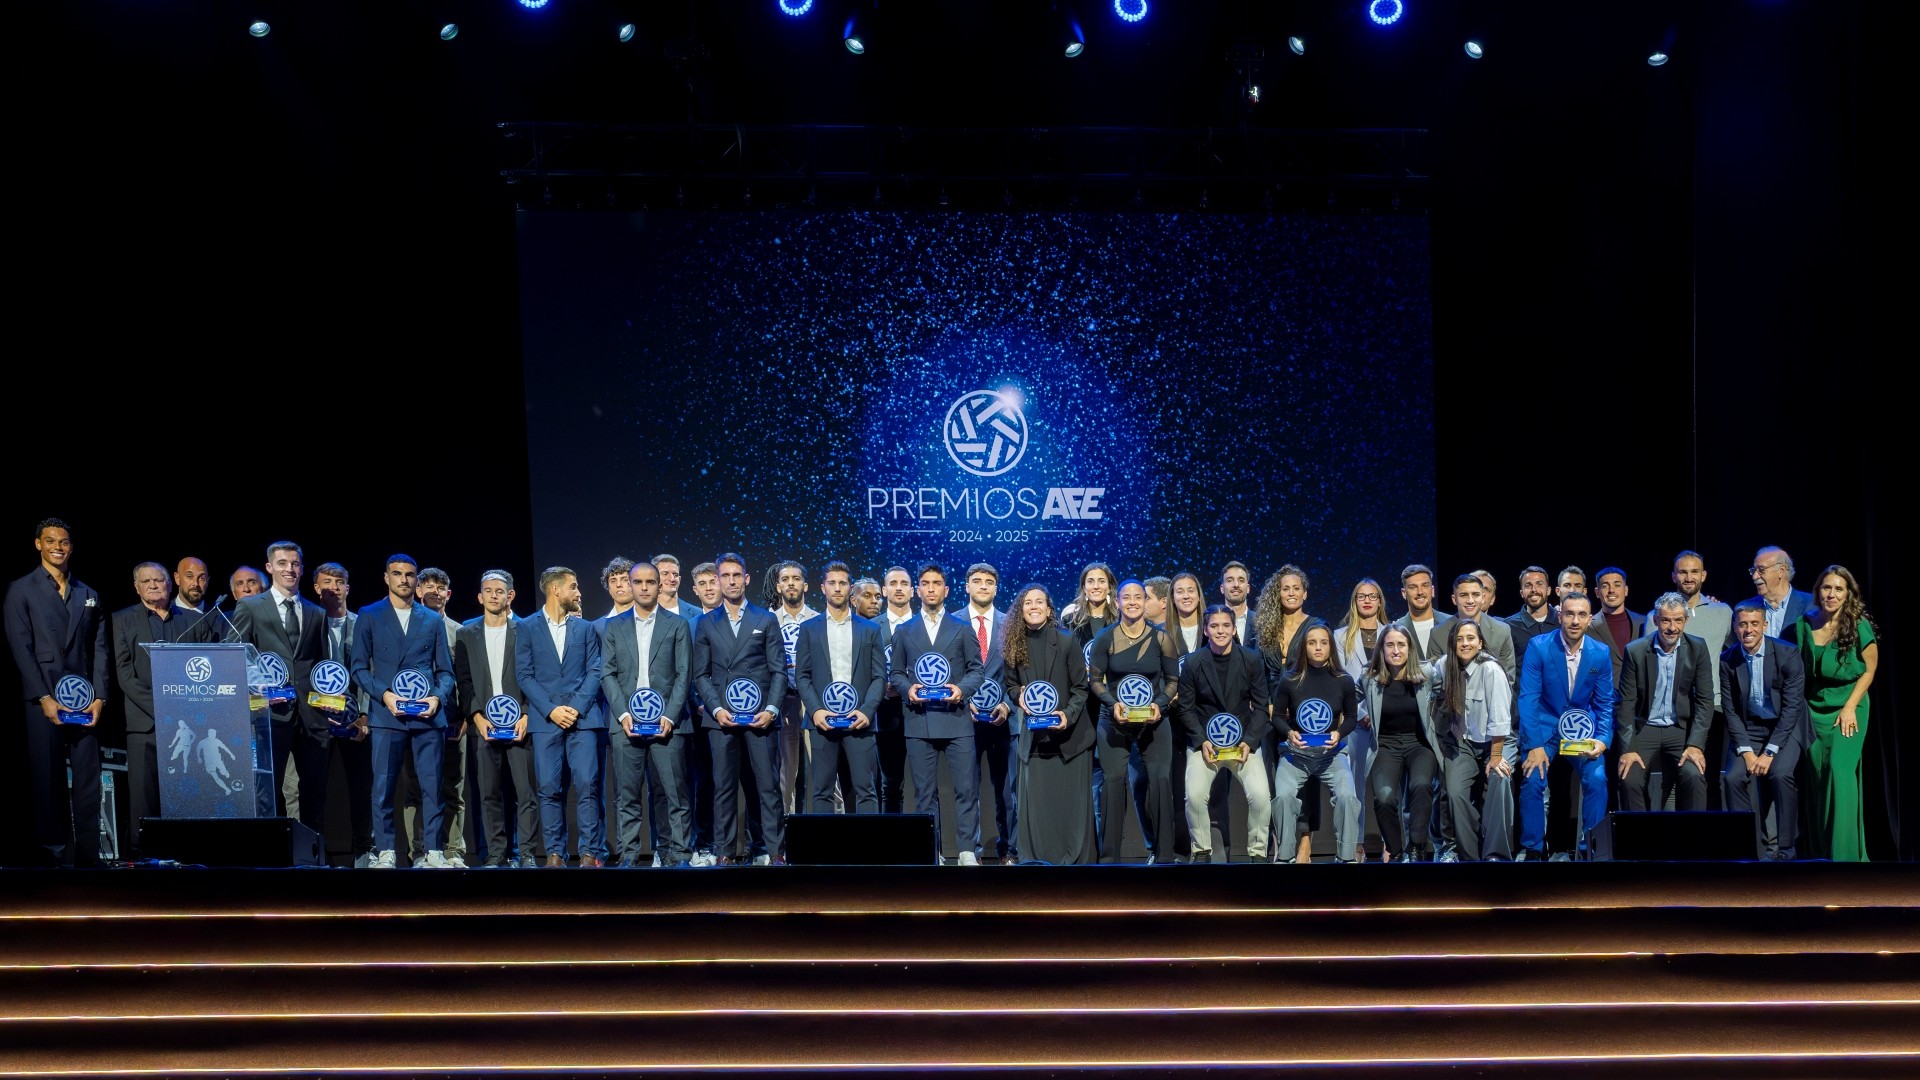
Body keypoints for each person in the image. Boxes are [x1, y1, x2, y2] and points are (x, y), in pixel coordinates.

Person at [5, 519, 107, 868]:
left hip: (84, 699)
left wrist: (100, 697)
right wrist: (43, 697)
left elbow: (100, 649)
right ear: (38, 544)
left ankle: (89, 856)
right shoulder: (21, 590)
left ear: (71, 547)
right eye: (50, 541)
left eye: (63, 542)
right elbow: (21, 648)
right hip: (45, 698)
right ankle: (54, 856)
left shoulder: (87, 593)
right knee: (48, 779)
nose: (58, 547)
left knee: (89, 779)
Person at [351, 554, 457, 869]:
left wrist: (437, 698)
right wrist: (385, 695)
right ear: (387, 577)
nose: (404, 579)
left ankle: (433, 851)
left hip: (427, 716)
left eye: (410, 574)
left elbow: (445, 672)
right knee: (383, 787)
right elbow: (358, 668)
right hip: (387, 715)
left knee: (432, 786)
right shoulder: (369, 615)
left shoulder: (432, 619)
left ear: (416, 580)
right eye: (397, 574)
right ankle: (386, 851)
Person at [231, 541, 333, 837]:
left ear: (301, 568)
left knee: (314, 790)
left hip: (311, 716)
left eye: (295, 564)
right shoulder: (251, 606)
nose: (290, 569)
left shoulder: (317, 612)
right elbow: (234, 653)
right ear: (269, 567)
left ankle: (313, 853)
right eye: (282, 563)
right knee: (267, 789)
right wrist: (257, 683)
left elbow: (321, 664)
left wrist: (329, 700)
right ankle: (268, 852)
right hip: (270, 713)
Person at [690, 553, 786, 865]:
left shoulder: (765, 619)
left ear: (746, 578)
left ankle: (775, 851)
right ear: (718, 580)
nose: (731, 581)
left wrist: (771, 710)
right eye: (725, 576)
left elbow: (779, 672)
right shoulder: (706, 623)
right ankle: (725, 852)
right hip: (722, 719)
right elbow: (701, 675)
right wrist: (716, 709)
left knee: (767, 787)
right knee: (724, 787)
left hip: (760, 717)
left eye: (736, 575)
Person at [889, 562, 986, 865]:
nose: (931, 589)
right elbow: (896, 673)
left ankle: (967, 850)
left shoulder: (962, 628)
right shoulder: (904, 631)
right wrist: (908, 689)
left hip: (956, 718)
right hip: (919, 720)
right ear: (917, 590)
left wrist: (961, 689)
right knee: (924, 792)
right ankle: (932, 852)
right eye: (925, 584)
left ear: (946, 590)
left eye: (936, 584)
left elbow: (976, 671)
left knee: (966, 788)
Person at [600, 560, 694, 867]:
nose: (643, 588)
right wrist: (623, 714)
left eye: (650, 582)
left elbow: (684, 674)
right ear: (630, 585)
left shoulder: (677, 624)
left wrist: (669, 715)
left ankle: (678, 855)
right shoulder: (614, 626)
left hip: (668, 724)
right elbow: (607, 674)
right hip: (627, 724)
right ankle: (628, 856)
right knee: (627, 796)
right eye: (638, 582)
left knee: (675, 794)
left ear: (659, 585)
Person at [515, 566, 607, 868]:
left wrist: (576, 707)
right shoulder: (527, 627)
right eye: (573, 586)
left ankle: (589, 852)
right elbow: (524, 675)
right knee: (548, 787)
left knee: (588, 784)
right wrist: (551, 709)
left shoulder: (585, 628)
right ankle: (555, 852)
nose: (578, 592)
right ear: (556, 590)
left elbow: (595, 670)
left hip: (583, 719)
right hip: (546, 720)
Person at [110, 562, 204, 855]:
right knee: (143, 799)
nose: (153, 585)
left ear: (170, 584)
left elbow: (201, 669)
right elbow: (125, 675)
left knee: (186, 795)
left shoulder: (192, 620)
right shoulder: (121, 620)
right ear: (136, 587)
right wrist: (164, 710)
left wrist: (181, 711)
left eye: (158, 580)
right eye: (146, 581)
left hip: (187, 724)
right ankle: (142, 858)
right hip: (145, 724)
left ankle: (186, 856)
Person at [1516, 591, 1614, 860]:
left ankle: (1590, 848)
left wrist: (1602, 739)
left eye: (1581, 615)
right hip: (1544, 729)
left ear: (1590, 619)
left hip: (1581, 731)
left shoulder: (1600, 653)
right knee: (1533, 778)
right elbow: (1528, 698)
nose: (1575, 621)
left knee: (1597, 778)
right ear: (1560, 616)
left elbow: (1605, 703)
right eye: (1569, 614)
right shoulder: (1539, 647)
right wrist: (1534, 745)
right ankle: (1534, 848)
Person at [1004, 583, 1096, 865]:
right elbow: (1011, 685)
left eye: (1039, 602)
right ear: (1021, 610)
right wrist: (1019, 696)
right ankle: (1036, 860)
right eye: (1028, 603)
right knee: (1038, 806)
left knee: (1069, 806)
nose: (1034, 607)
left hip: (1071, 739)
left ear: (1049, 608)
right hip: (1035, 739)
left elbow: (1081, 687)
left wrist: (1067, 714)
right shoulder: (1014, 645)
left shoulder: (1067, 641)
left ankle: (1074, 861)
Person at [1087, 579, 1178, 864]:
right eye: (1126, 597)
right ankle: (1110, 861)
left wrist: (1159, 705)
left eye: (1138, 597)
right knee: (1113, 782)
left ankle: (1164, 857)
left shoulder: (1162, 638)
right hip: (1114, 720)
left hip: (1153, 720)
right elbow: (1095, 680)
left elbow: (1172, 681)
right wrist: (1112, 704)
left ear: (1145, 602)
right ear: (1117, 602)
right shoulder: (1105, 638)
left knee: (1160, 781)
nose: (1133, 602)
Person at [1174, 605, 1271, 863]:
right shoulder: (1193, 662)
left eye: (1226, 625)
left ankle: (1258, 854)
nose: (1220, 631)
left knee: (1261, 796)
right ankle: (1201, 852)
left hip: (1242, 744)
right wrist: (1201, 740)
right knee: (1194, 796)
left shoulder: (1251, 659)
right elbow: (1185, 708)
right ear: (1205, 630)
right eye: (1214, 626)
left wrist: (1250, 742)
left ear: (1234, 628)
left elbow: (1262, 707)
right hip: (1206, 744)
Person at [1791, 566, 1877, 861]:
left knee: (1839, 774)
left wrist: (1850, 707)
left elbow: (1869, 671)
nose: (1831, 594)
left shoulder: (1858, 624)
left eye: (1839, 589)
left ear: (1848, 594)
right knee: (1818, 779)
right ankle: (1821, 856)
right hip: (1814, 710)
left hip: (1849, 708)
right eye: (1827, 588)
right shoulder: (1804, 624)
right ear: (1818, 591)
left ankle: (1846, 858)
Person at [455, 570, 537, 868]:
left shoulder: (526, 630)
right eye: (488, 590)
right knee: (488, 793)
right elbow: (464, 681)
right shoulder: (466, 633)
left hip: (519, 726)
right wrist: (476, 717)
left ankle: (526, 853)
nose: (493, 595)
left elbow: (534, 676)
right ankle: (496, 853)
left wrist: (526, 714)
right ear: (480, 596)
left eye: (499, 591)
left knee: (526, 793)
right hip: (484, 726)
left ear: (510, 596)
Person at [792, 561, 887, 816]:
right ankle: (825, 844)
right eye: (832, 583)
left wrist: (866, 711)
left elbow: (880, 677)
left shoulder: (870, 629)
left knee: (866, 790)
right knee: (821, 790)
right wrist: (816, 711)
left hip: (860, 721)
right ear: (823, 587)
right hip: (823, 721)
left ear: (850, 588)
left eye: (842, 583)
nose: (837, 588)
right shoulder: (809, 629)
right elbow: (802, 676)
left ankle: (867, 844)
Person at [1722, 598, 1808, 860]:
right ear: (1735, 627)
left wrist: (1769, 752)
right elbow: (1731, 710)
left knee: (1780, 775)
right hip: (1749, 728)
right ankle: (1748, 847)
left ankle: (1786, 848)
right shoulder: (1728, 659)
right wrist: (1747, 752)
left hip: (1785, 727)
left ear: (1764, 625)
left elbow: (1792, 708)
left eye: (1754, 624)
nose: (1748, 630)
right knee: (1733, 777)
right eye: (1742, 624)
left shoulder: (1787, 653)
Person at [1254, 564, 1329, 862]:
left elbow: (1322, 671)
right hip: (1270, 713)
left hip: (1304, 712)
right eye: (1285, 588)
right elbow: (1257, 673)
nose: (1291, 593)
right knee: (1272, 778)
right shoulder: (1265, 627)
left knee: (1306, 779)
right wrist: (1267, 704)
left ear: (1305, 593)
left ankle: (1305, 841)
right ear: (1278, 593)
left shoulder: (1316, 626)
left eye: (1296, 588)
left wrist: (1297, 707)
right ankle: (1278, 839)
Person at [1269, 624, 1361, 863]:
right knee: (1283, 797)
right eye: (1312, 643)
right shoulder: (1290, 679)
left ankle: (1346, 857)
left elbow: (1351, 718)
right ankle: (1286, 856)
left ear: (1331, 646)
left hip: (1331, 754)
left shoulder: (1344, 680)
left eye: (1323, 642)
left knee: (1347, 797)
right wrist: (1289, 733)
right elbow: (1277, 717)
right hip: (1296, 754)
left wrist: (1339, 733)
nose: (1318, 647)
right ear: (1304, 647)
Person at [1616, 592, 1714, 813]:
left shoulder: (1697, 648)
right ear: (1656, 620)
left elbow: (1705, 699)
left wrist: (1695, 744)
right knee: (1629, 777)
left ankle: (1693, 835)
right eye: (1666, 620)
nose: (1672, 627)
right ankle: (1639, 835)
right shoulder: (1635, 651)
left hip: (1679, 729)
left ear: (1686, 620)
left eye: (1678, 620)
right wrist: (1628, 748)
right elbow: (1626, 702)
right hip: (1645, 727)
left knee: (1694, 775)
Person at [401, 565, 469, 868]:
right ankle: (419, 853)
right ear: (418, 590)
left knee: (453, 788)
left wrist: (466, 717)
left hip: (451, 722)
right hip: (414, 721)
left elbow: (465, 679)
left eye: (440, 588)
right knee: (415, 788)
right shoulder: (406, 626)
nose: (434, 592)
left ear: (448, 594)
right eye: (428, 586)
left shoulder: (460, 632)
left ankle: (453, 851)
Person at [1431, 619, 1514, 861]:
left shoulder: (1491, 669)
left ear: (1480, 643)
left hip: (1496, 742)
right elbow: (1424, 680)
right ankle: (1470, 858)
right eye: (1459, 639)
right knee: (1455, 792)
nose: (1465, 643)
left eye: (1470, 638)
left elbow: (1500, 718)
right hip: (1463, 742)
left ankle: (1495, 854)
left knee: (1500, 779)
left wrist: (1496, 756)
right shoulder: (1445, 665)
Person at [311, 562, 374, 866]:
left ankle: (365, 853)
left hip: (355, 722)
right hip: (317, 719)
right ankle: (314, 855)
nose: (334, 587)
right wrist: (314, 709)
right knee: (314, 792)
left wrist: (364, 715)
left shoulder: (362, 623)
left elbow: (370, 671)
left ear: (348, 588)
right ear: (316, 588)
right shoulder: (309, 622)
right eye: (327, 582)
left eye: (339, 582)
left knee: (362, 791)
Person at [1363, 625, 1438, 861]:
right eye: (1390, 645)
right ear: (1381, 649)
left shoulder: (1427, 673)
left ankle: (1416, 846)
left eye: (1401, 645)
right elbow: (1349, 698)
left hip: (1419, 744)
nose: (1396, 650)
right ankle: (1395, 851)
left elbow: (1445, 694)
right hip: (1386, 745)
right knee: (1384, 797)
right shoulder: (1369, 678)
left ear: (1409, 648)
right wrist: (1363, 713)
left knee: (1421, 786)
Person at [961, 562, 1016, 863]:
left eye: (989, 582)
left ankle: (1009, 850)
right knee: (967, 788)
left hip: (1001, 720)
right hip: (963, 718)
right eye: (977, 580)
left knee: (1005, 791)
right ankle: (972, 850)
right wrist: (962, 700)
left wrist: (1007, 704)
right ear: (967, 586)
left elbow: (1017, 672)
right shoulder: (953, 622)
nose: (983, 585)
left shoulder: (1011, 624)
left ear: (996, 588)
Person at [1334, 578, 1388, 862]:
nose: (1367, 601)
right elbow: (1339, 680)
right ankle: (1355, 843)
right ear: (1354, 602)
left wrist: (1377, 713)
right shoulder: (1340, 636)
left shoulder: (1391, 633)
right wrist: (1362, 713)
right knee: (1354, 786)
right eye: (1361, 596)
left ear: (1380, 601)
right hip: (1354, 721)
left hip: (1386, 720)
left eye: (1372, 596)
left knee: (1388, 786)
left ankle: (1391, 843)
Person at [769, 560, 818, 816]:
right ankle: (785, 834)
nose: (791, 583)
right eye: (785, 579)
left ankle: (837, 831)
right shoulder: (768, 621)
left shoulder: (818, 620)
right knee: (786, 775)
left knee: (825, 772)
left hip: (814, 703)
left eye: (796, 579)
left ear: (805, 586)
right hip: (784, 701)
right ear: (778, 586)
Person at [874, 565, 918, 816]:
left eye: (904, 583)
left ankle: (929, 840)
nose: (899, 588)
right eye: (893, 583)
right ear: (884, 590)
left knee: (926, 784)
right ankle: (890, 839)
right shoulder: (870, 627)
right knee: (889, 784)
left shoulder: (925, 624)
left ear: (912, 591)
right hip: (885, 713)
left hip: (920, 712)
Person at [1450, 573, 1515, 685]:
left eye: (1475, 594)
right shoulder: (1438, 633)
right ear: (1454, 599)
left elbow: (1508, 677)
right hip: (1454, 693)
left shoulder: (1502, 630)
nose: (1470, 600)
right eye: (1464, 595)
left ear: (1483, 598)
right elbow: (1438, 681)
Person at [1586, 567, 1644, 691]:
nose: (1611, 590)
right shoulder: (1588, 627)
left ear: (1626, 590)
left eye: (1617, 585)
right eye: (1605, 586)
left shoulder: (1643, 623)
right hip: (1604, 698)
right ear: (1597, 592)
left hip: (1639, 697)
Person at [1750, 546, 1814, 638]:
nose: (1755, 576)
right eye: (1753, 571)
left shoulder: (1811, 604)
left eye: (1761, 570)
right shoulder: (1748, 608)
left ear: (1781, 570)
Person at [1394, 564, 1454, 663]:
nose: (1420, 592)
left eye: (1425, 585)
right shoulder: (1396, 629)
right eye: (1413, 587)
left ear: (1432, 590)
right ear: (1404, 593)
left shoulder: (1452, 623)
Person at [1506, 566, 1558, 651]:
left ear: (1548, 590)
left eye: (1539, 584)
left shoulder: (1562, 621)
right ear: (1521, 593)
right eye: (1528, 585)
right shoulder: (1508, 627)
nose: (1534, 589)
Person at [1219, 561, 1256, 645]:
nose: (1236, 585)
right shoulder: (1211, 624)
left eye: (1241, 580)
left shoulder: (1261, 622)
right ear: (1222, 588)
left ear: (1248, 588)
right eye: (1230, 580)